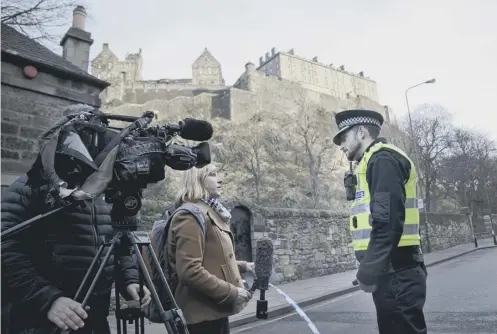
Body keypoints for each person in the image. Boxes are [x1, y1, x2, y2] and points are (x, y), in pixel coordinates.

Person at [1, 105, 152, 334]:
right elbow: (5, 248)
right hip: (44, 319)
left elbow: (119, 244)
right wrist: (48, 299)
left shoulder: (104, 193)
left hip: (94, 316)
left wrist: (130, 280)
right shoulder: (28, 187)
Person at [332, 109, 427, 334]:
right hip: (393, 273)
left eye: (344, 137)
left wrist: (369, 271)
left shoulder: (383, 159)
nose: (341, 145)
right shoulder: (372, 162)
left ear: (362, 132)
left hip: (397, 275)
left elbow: (387, 222)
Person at [167, 163, 254, 334]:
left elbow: (212, 259)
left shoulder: (208, 211)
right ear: (197, 180)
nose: (220, 180)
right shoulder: (189, 216)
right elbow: (190, 271)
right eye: (212, 175)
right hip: (202, 315)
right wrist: (232, 292)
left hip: (215, 310)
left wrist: (243, 266)